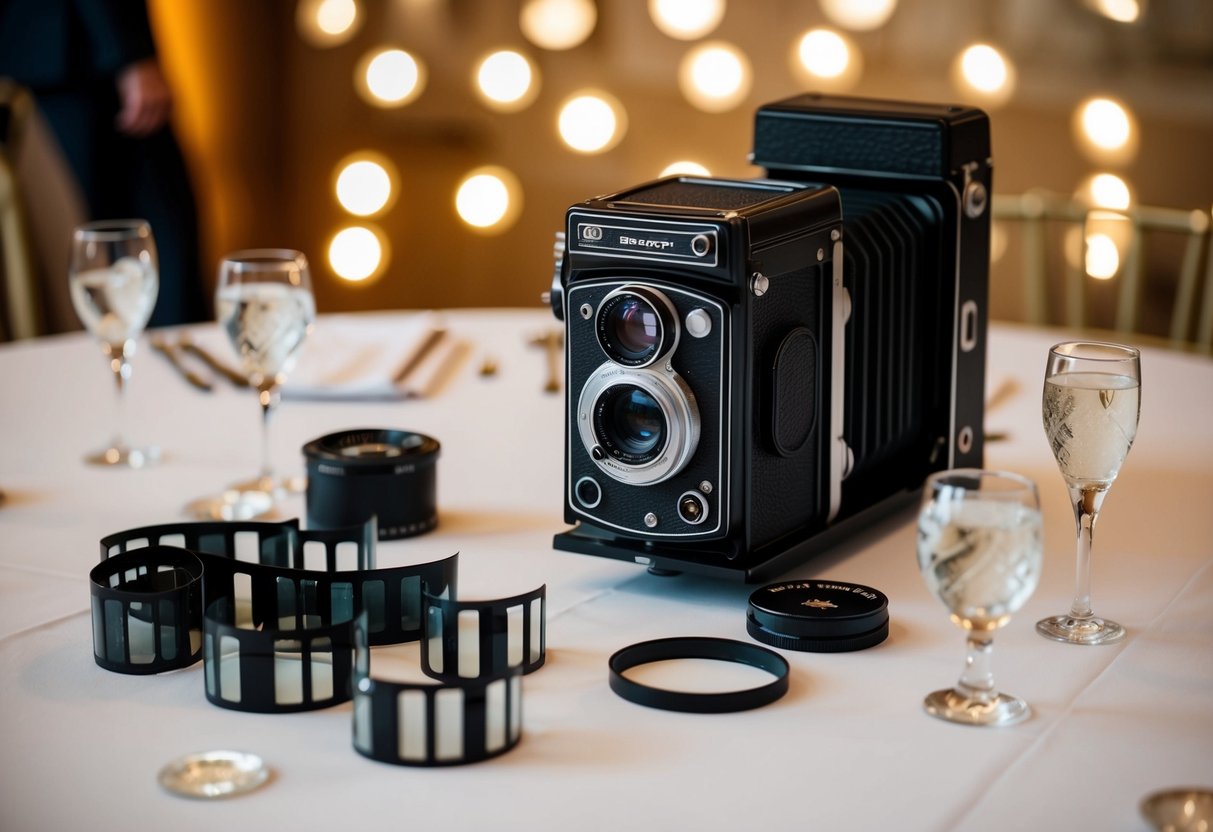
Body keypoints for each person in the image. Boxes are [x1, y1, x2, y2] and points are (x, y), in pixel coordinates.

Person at [0, 0, 208, 327]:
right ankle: (160, 372)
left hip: (51, 49)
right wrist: (128, 51)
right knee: (148, 249)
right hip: (79, 49)